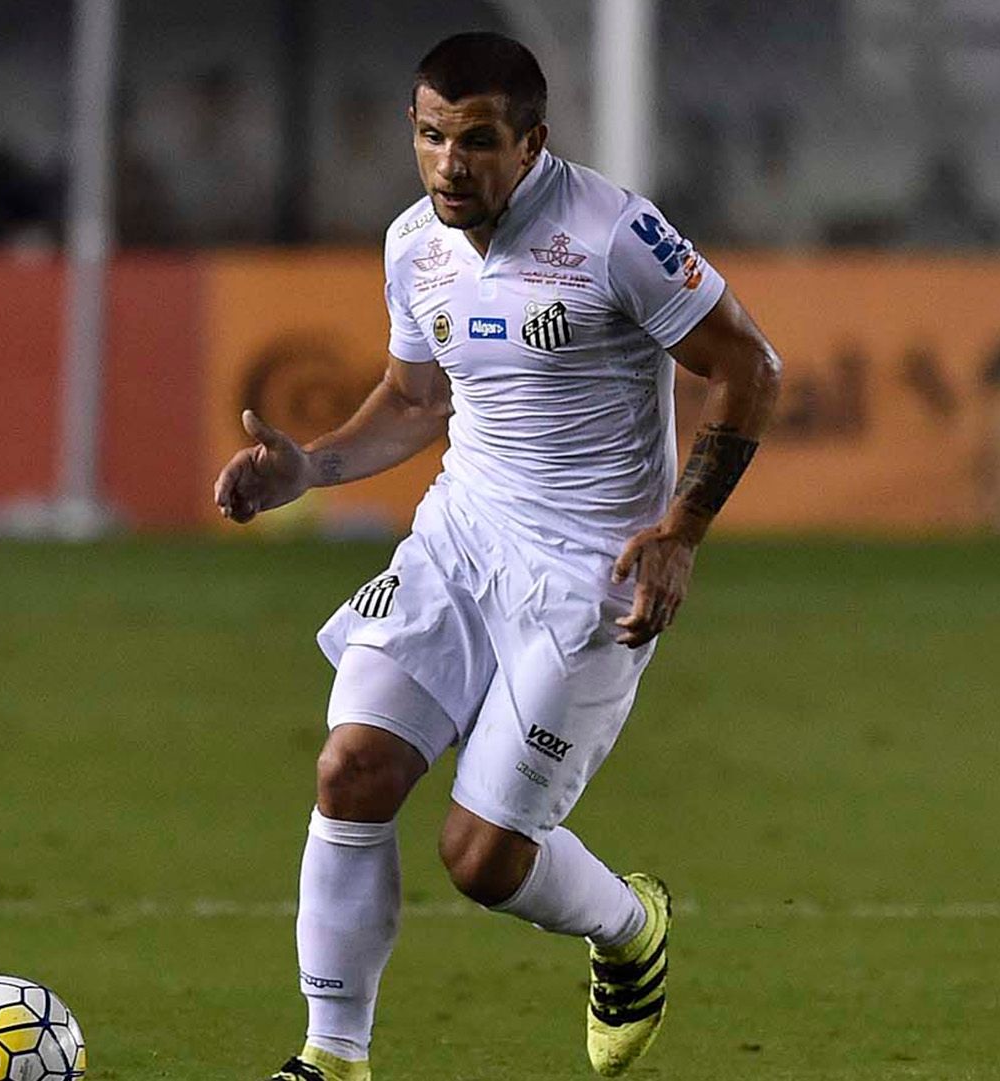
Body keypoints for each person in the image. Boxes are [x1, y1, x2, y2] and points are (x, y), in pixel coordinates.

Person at [213, 31, 782, 1081]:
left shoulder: (613, 234)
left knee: (480, 861)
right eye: (432, 136)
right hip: (460, 540)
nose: (449, 164)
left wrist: (682, 531)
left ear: (532, 144)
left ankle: (630, 928)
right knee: (351, 767)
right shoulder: (412, 245)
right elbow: (416, 398)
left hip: (589, 576)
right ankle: (332, 1056)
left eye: (477, 140)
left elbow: (749, 366)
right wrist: (311, 468)